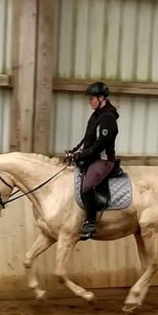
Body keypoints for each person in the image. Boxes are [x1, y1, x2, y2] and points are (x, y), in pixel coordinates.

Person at [65, 81, 120, 240]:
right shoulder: (96, 115)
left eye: (92, 98)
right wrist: (74, 151)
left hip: (103, 160)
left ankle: (91, 222)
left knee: (87, 186)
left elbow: (99, 145)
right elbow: (87, 138)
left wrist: (80, 156)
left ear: (101, 98)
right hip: (92, 157)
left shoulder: (108, 118)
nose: (89, 101)